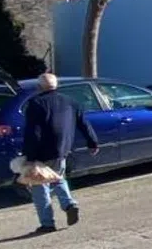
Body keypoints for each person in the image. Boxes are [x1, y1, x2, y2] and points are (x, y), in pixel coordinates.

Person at [19, 72, 98, 234]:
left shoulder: (35, 103)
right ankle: (69, 204)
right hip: (62, 149)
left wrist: (30, 157)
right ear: (57, 85)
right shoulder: (70, 101)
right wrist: (92, 142)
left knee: (40, 186)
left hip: (42, 152)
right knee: (58, 177)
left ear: (39, 87)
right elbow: (83, 123)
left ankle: (47, 223)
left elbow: (33, 132)